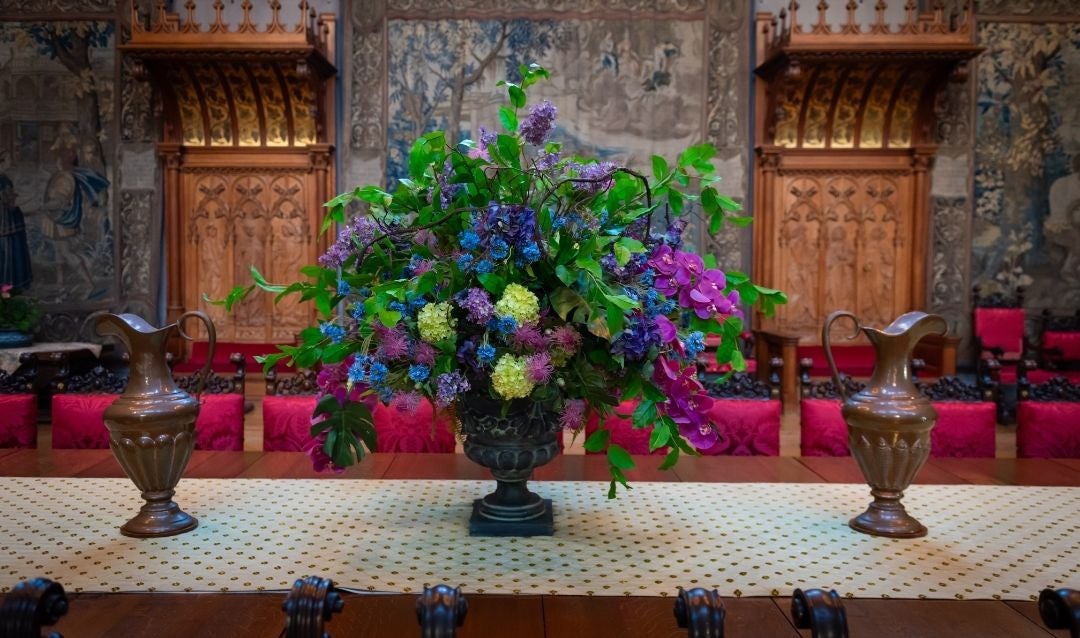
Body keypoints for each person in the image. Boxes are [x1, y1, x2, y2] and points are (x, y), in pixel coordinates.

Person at [0, 151, 32, 289]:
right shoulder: (2, 179)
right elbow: (7, 201)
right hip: (5, 219)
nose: (10, 162)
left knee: (12, 248)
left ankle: (10, 286)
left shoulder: (4, 177)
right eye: (7, 159)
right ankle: (6, 286)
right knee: (6, 250)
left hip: (9, 218)